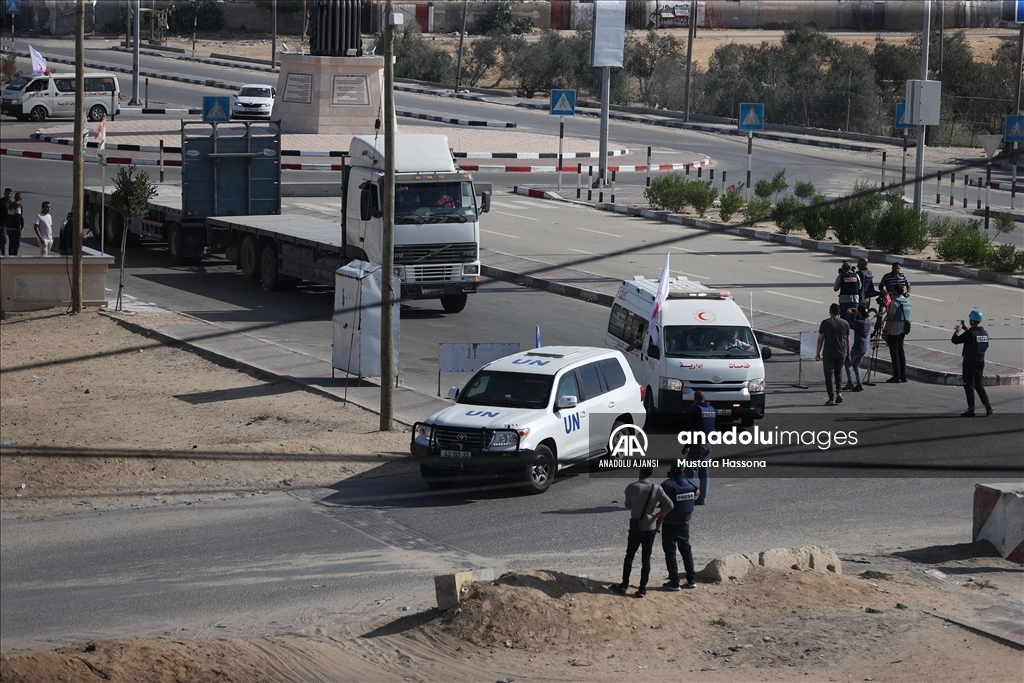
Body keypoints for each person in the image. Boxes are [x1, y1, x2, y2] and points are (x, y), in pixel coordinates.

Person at [613, 466, 673, 598]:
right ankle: (642, 588)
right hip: (650, 528)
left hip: (635, 527)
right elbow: (670, 504)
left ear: (640, 472)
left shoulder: (631, 487)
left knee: (629, 556)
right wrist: (658, 515)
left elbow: (628, 506)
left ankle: (624, 585)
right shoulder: (656, 488)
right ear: (651, 474)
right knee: (646, 558)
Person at [659, 460, 699, 590]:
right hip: (685, 523)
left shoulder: (667, 485)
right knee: (686, 551)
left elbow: (661, 500)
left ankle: (674, 582)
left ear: (671, 470)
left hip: (670, 523)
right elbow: (697, 493)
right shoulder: (691, 482)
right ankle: (691, 579)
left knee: (670, 553)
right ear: (683, 470)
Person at [952, 310, 992, 418]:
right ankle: (987, 405)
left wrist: (958, 330)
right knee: (978, 384)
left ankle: (971, 409)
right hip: (980, 361)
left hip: (970, 362)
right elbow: (980, 342)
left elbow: (955, 340)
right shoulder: (984, 332)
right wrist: (967, 330)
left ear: (972, 321)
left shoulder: (970, 334)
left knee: (968, 384)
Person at [816, 303, 851, 405]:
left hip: (829, 354)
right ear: (839, 312)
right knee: (838, 373)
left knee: (828, 376)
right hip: (841, 353)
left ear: (830, 312)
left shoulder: (826, 323)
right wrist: (848, 354)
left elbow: (820, 339)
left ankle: (831, 399)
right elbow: (848, 340)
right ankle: (839, 393)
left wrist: (817, 353)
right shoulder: (845, 323)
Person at [687, 390, 715, 505]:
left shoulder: (696, 409)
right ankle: (702, 498)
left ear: (695, 399)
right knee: (704, 473)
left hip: (697, 444)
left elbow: (691, 428)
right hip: (708, 444)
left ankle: (688, 497)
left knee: (690, 471)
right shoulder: (711, 409)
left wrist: (687, 445)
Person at [881, 284, 911, 383]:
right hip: (903, 329)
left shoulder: (895, 303)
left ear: (896, 291)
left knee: (894, 353)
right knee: (901, 352)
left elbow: (890, 319)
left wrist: (885, 330)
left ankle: (896, 375)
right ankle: (903, 375)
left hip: (894, 330)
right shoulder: (907, 301)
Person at [843, 305, 871, 392]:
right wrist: (856, 314)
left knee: (847, 364)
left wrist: (850, 315)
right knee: (856, 365)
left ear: (860, 313)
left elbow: (848, 325)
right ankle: (859, 384)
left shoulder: (859, 323)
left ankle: (850, 382)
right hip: (864, 347)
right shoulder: (867, 322)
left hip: (857, 347)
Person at [5, 191, 24, 255]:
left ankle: (10, 256)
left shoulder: (10, 205)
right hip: (15, 228)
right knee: (16, 244)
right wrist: (19, 225)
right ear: (21, 198)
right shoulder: (18, 206)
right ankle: (15, 256)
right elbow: (18, 216)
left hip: (9, 227)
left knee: (11, 243)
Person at [1, 188, 10, 256]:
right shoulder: (1, 201)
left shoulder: (10, 202)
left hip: (9, 224)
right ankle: (3, 254)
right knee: (4, 239)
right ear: (4, 193)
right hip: (2, 223)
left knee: (4, 239)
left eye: (10, 194)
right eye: (7, 193)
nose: (8, 195)